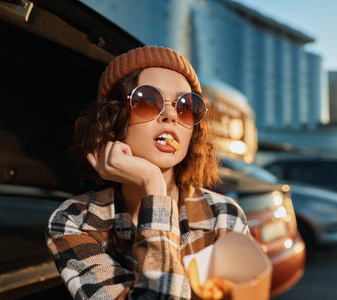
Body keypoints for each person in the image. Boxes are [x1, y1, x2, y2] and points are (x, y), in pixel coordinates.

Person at [46, 46, 249, 299]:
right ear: (114, 119)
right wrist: (153, 187)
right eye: (147, 100)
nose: (171, 115)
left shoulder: (224, 215)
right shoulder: (75, 221)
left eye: (186, 105)